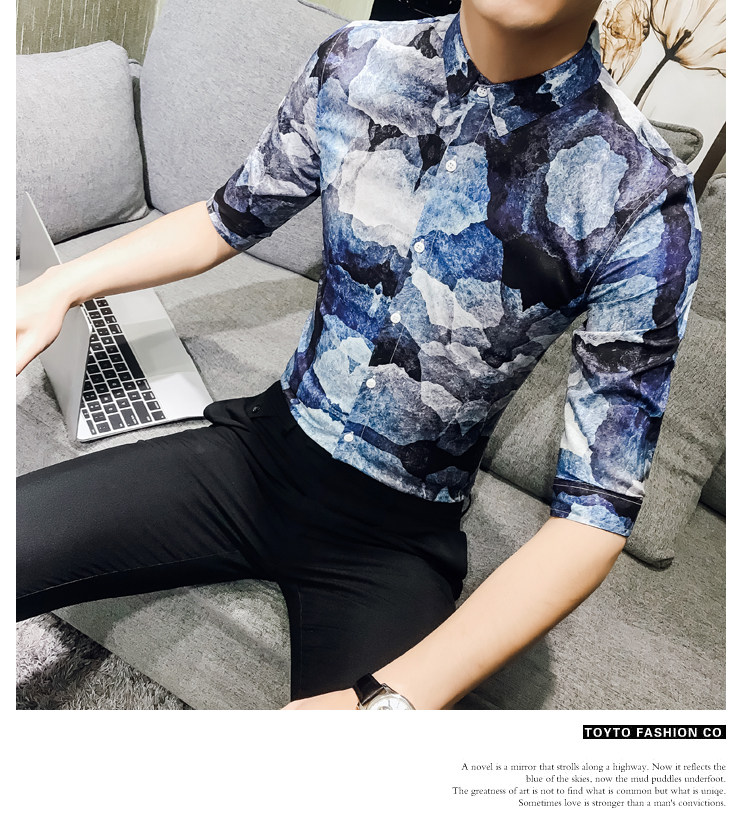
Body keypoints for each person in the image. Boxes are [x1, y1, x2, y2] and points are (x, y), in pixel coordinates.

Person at [15, 0, 701, 710]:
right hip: (258, 454)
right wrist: (60, 285)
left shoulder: (646, 198)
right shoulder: (355, 63)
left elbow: (595, 513)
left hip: (396, 541)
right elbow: (226, 217)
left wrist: (389, 702)